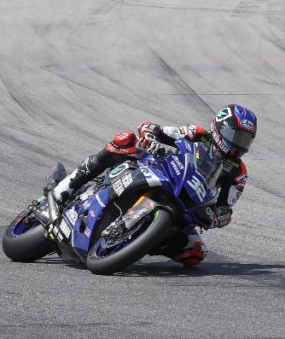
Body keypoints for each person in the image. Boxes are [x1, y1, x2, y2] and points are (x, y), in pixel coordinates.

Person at [49, 104, 257, 267]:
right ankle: (67, 186)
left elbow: (226, 206)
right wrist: (150, 136)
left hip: (188, 205)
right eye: (237, 136)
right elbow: (159, 130)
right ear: (221, 127)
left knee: (195, 254)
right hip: (162, 170)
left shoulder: (238, 172)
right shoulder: (198, 134)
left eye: (246, 140)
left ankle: (137, 241)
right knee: (125, 141)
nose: (240, 144)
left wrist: (220, 216)